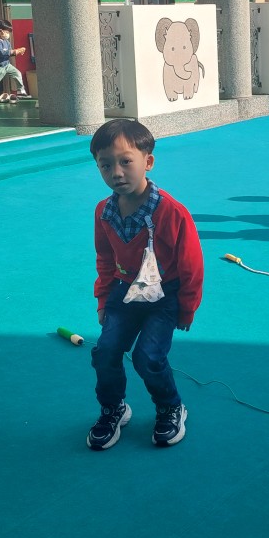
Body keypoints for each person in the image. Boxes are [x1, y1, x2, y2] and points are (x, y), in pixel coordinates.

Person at [87, 119, 204, 450]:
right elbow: (105, 258)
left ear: (148, 161)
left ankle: (171, 407)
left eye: (126, 161)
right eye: (106, 165)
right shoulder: (103, 211)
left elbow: (191, 265)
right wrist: (103, 299)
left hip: (164, 297)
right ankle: (114, 409)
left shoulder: (171, 212)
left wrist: (187, 308)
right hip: (124, 293)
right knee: (105, 352)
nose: (116, 173)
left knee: (148, 357)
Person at [0, 20, 31, 104]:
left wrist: (18, 52)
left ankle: (21, 92)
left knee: (17, 74)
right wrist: (14, 52)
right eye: (7, 32)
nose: (8, 34)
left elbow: (9, 53)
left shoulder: (6, 42)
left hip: (7, 65)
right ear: (0, 31)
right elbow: (0, 53)